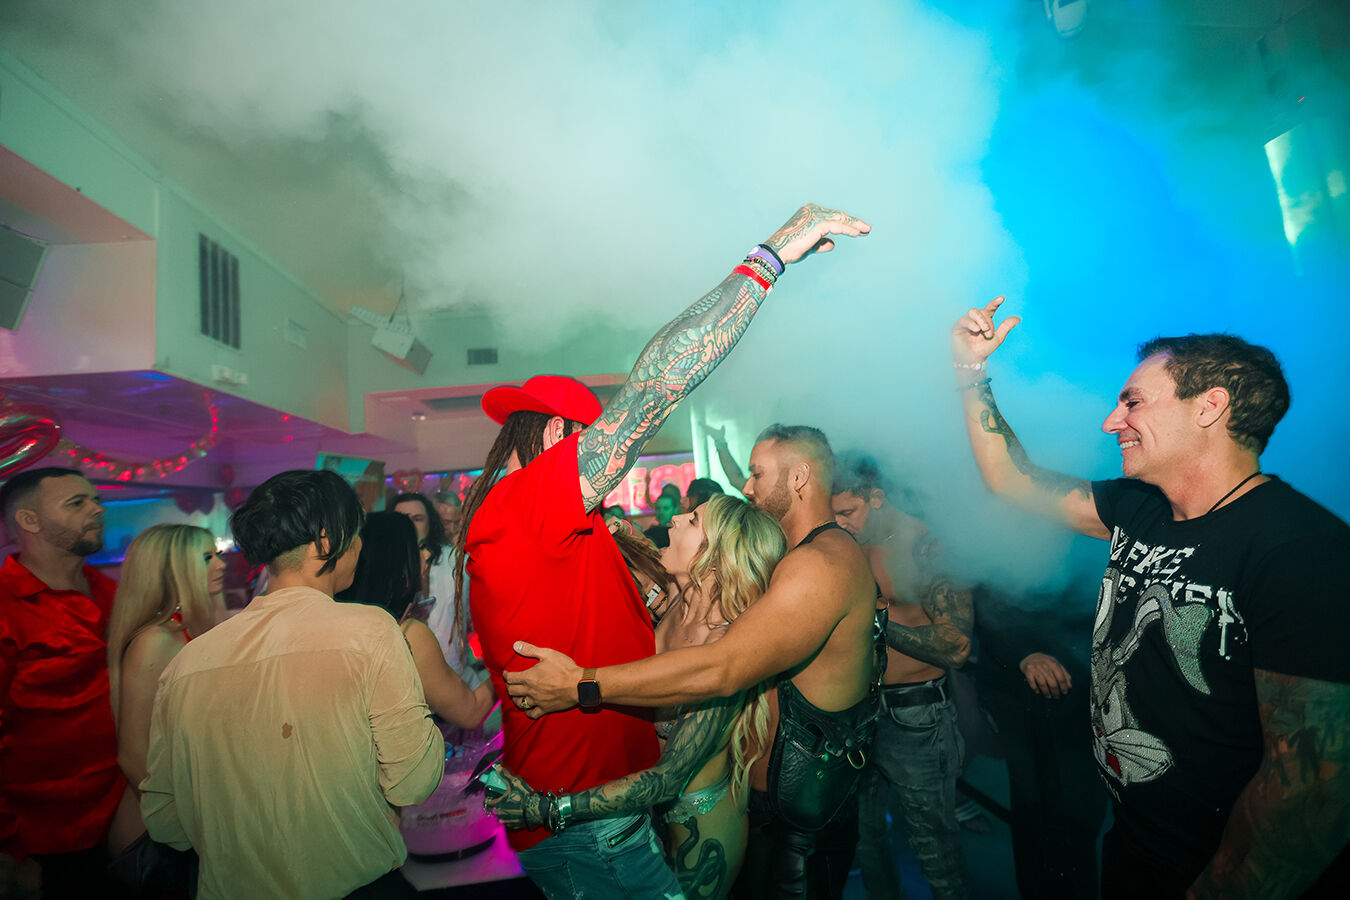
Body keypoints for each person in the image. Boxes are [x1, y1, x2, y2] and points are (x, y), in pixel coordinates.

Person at [455, 203, 871, 900]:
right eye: (596, 445)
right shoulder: (527, 504)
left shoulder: (559, 527)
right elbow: (656, 386)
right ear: (562, 438)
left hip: (603, 813)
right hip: (588, 825)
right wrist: (771, 257)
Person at [950, 297, 1350, 899]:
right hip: (1135, 840)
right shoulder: (1138, 506)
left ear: (1210, 406)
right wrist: (970, 371)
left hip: (1217, 867)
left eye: (1132, 402)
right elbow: (1012, 478)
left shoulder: (1301, 551)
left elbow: (1311, 787)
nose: (1111, 422)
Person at [507, 424, 883, 900]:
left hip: (797, 829)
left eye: (756, 473)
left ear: (799, 477)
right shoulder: (794, 554)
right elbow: (697, 590)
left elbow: (721, 667)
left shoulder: (821, 563)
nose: (746, 487)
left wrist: (579, 685)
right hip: (760, 806)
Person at [140, 470, 445, 899]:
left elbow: (165, 820)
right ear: (326, 541)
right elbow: (413, 781)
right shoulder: (370, 631)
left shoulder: (187, 663)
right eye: (355, 533)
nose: (360, 546)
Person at [488, 495, 786, 899]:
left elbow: (667, 780)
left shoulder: (720, 649)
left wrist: (546, 809)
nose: (676, 518)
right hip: (649, 825)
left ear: (714, 560)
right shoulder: (678, 602)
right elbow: (643, 575)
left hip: (699, 843)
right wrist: (612, 539)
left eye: (693, 520)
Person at [830, 455, 974, 900]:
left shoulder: (928, 547)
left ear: (876, 498)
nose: (840, 523)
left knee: (935, 850)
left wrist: (876, 622)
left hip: (917, 717)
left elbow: (956, 646)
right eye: (834, 514)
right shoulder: (849, 544)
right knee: (866, 839)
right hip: (858, 713)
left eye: (848, 512)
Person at [0, 467, 125, 898]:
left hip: (126, 819)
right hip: (42, 841)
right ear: (29, 520)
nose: (98, 509)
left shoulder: (112, 593)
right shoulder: (6, 608)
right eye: (77, 503)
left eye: (96, 500)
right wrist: (7, 848)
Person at [104, 524, 225, 889]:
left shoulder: (187, 631)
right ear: (172, 570)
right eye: (206, 557)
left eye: (217, 554)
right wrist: (187, 826)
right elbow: (133, 755)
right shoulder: (154, 640)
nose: (221, 564)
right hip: (153, 837)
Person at [337, 511, 494, 728]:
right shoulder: (409, 634)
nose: (426, 556)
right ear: (400, 561)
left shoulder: (342, 617)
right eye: (419, 548)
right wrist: (506, 667)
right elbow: (470, 712)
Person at [393, 491, 469, 674]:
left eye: (417, 519)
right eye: (402, 519)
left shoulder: (455, 561)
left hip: (453, 669)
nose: (410, 525)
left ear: (430, 523)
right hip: (402, 672)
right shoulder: (381, 568)